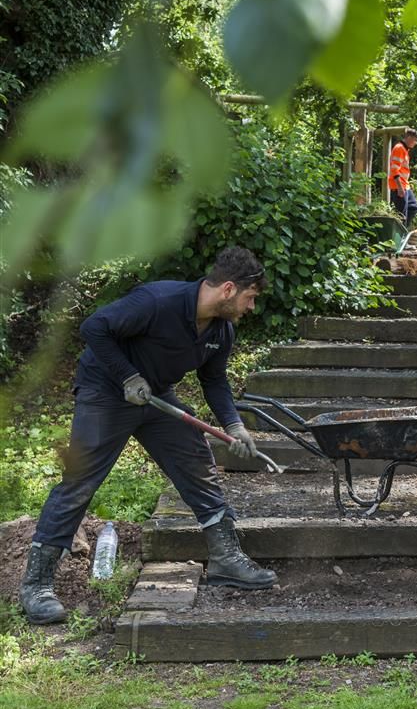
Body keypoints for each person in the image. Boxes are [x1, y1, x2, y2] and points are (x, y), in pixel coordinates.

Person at [19, 246, 278, 625]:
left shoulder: (221, 332)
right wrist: (127, 375)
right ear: (227, 289)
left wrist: (234, 425)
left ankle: (226, 558)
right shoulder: (159, 301)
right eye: (250, 297)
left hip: (154, 397)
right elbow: (94, 327)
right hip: (105, 392)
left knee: (196, 462)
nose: (251, 307)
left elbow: (215, 381)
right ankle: (36, 585)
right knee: (79, 483)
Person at [388, 127, 417, 229]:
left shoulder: (405, 150)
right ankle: (399, 241)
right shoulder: (399, 148)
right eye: (415, 140)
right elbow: (394, 169)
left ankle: (403, 234)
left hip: (405, 185)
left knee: (413, 207)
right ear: (408, 137)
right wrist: (400, 187)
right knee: (402, 215)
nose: (416, 143)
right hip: (399, 186)